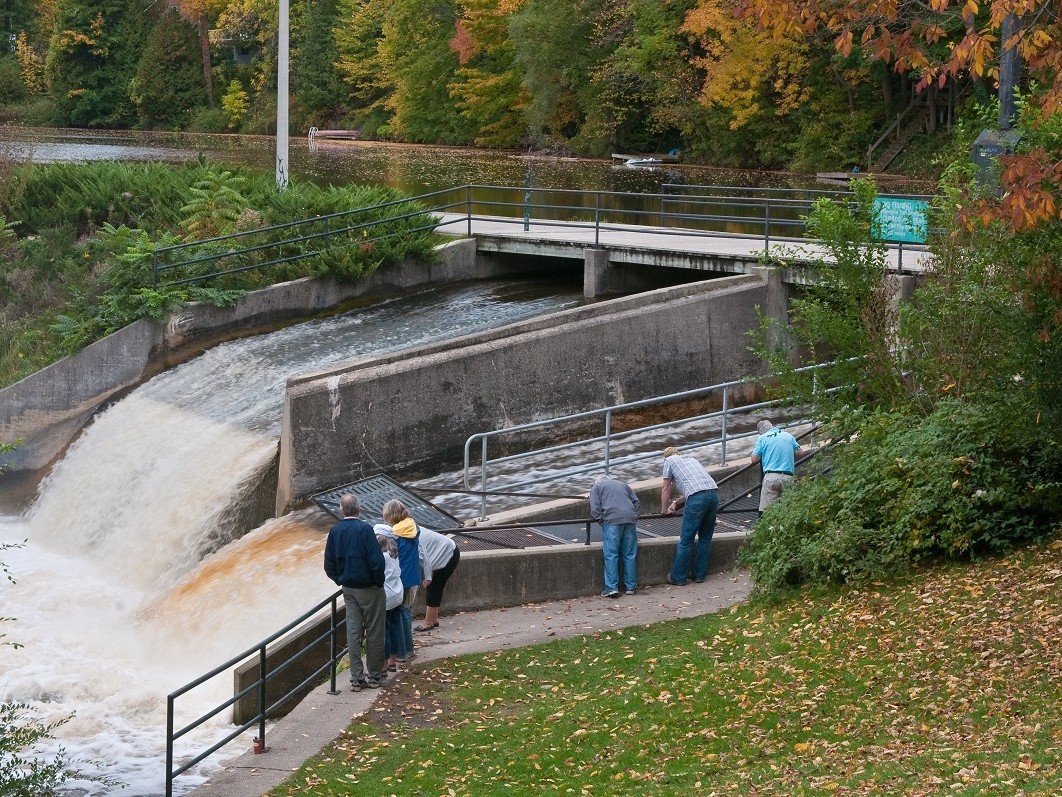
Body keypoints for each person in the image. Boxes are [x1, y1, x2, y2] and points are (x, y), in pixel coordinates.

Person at [323, 494, 387, 691]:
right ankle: (375, 676)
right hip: (369, 588)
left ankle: (356, 678)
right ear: (359, 509)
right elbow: (377, 561)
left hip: (348, 588)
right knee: (375, 631)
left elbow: (328, 564)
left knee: (353, 631)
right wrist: (378, 582)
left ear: (341, 510)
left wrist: (340, 580)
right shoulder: (365, 530)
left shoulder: (335, 532)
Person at [660, 446, 719, 586]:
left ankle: (678, 577)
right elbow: (697, 487)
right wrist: (676, 502)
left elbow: (665, 488)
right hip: (713, 494)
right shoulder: (691, 459)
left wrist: (664, 509)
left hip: (697, 499)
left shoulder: (668, 461)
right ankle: (699, 575)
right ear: (678, 453)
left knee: (686, 539)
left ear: (666, 457)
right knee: (705, 538)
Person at [381, 499, 421, 660]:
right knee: (406, 612)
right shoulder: (413, 528)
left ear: (389, 516)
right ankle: (408, 648)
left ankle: (403, 652)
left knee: (400, 614)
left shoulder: (394, 536)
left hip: (400, 580)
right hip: (414, 578)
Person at [588, 475, 640, 598]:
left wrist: (601, 520)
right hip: (630, 519)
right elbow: (636, 502)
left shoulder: (596, 487)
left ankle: (611, 587)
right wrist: (634, 515)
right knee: (629, 554)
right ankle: (630, 587)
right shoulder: (622, 484)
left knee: (611, 554)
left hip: (612, 521)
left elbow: (595, 507)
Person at [374, 524, 407, 674]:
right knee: (395, 629)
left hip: (386, 599)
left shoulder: (381, 557)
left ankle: (384, 665)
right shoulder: (394, 553)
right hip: (398, 596)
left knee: (384, 632)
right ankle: (393, 661)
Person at [750, 420, 801, 516]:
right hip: (788, 477)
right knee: (789, 510)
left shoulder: (762, 438)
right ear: (772, 426)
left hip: (771, 477)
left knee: (767, 512)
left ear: (761, 432)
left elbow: (754, 459)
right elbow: (800, 452)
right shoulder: (788, 436)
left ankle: (768, 530)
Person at [415, 527, 461, 631]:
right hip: (442, 552)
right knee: (435, 586)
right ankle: (433, 619)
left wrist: (426, 577)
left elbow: (424, 558)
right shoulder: (411, 528)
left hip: (448, 554)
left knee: (434, 587)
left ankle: (428, 622)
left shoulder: (415, 537)